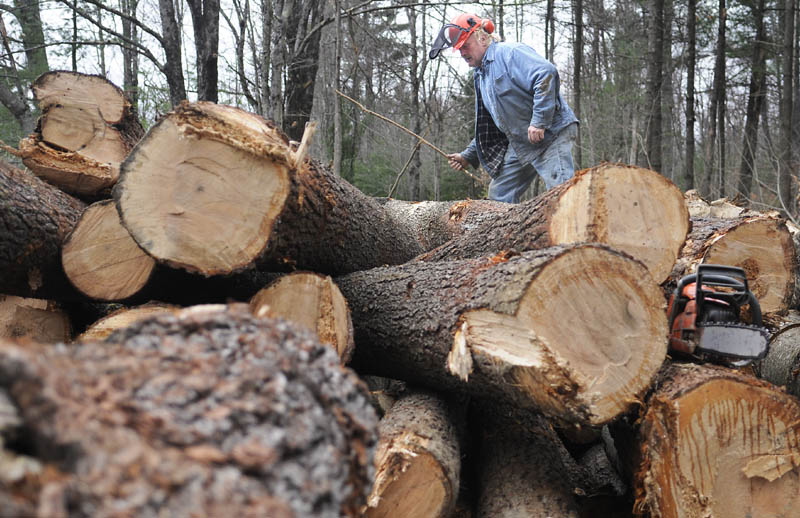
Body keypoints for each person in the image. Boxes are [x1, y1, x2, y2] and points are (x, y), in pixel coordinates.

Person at [429, 13, 579, 203]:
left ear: (482, 38)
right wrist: (468, 156)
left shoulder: (509, 53)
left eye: (466, 46)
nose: (463, 53)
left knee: (563, 195)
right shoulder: (481, 75)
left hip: (551, 134)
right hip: (521, 142)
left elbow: (546, 73)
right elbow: (491, 124)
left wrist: (540, 121)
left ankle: (580, 230)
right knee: (499, 196)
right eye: (459, 50)